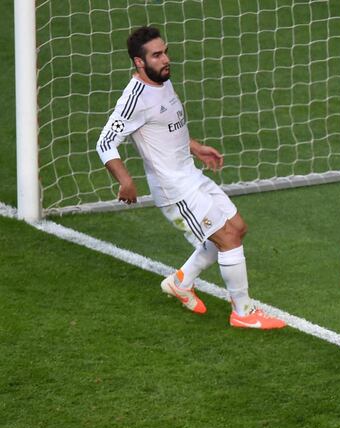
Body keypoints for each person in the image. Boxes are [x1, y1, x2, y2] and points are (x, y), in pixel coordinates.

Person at [96, 26, 285, 330]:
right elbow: (104, 142)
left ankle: (180, 282)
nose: (165, 58)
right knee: (227, 238)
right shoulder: (134, 100)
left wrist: (196, 147)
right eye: (157, 55)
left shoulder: (162, 81)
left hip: (190, 175)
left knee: (236, 228)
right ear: (139, 62)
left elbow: (165, 129)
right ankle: (243, 312)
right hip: (174, 188)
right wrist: (125, 181)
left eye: (165, 51)